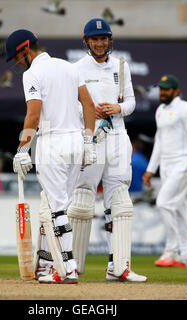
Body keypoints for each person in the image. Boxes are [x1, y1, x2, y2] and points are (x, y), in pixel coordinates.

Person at [7, 29, 96, 284]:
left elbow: (33, 115)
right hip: (76, 141)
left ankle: (67, 268)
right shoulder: (69, 67)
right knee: (57, 205)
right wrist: (88, 142)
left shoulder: (32, 74)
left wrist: (22, 149)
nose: (15, 62)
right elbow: (88, 105)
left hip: (51, 144)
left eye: (15, 56)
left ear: (25, 50)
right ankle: (46, 263)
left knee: (56, 208)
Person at [66, 18, 146, 282]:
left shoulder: (122, 67)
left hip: (118, 137)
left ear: (109, 40)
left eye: (103, 38)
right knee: (82, 198)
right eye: (94, 39)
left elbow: (132, 101)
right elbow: (71, 106)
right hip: (90, 137)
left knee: (120, 200)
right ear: (86, 41)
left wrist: (118, 108)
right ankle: (72, 266)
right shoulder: (76, 68)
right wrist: (90, 109)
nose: (99, 43)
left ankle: (119, 266)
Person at [142, 74, 187, 268]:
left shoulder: (186, 108)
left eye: (166, 89)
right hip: (167, 165)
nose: (163, 92)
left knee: (163, 203)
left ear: (176, 91)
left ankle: (171, 251)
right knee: (178, 209)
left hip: (183, 162)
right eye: (161, 89)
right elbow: (159, 142)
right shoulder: (160, 110)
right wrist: (151, 169)